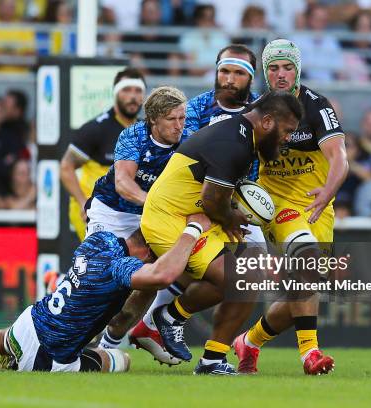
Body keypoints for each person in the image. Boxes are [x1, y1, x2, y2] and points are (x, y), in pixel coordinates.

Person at [0, 212, 213, 372]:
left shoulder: (98, 241)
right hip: (51, 356)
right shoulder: (120, 268)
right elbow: (162, 274)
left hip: (32, 320)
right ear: (146, 249)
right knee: (121, 361)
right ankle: (16, 364)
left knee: (4, 337)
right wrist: (193, 229)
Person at [111, 44, 264, 362]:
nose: (230, 79)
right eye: (225, 71)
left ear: (251, 78)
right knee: (143, 278)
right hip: (191, 204)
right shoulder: (194, 111)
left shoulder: (261, 114)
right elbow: (202, 161)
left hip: (229, 205)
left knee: (248, 275)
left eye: (238, 73)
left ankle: (175, 329)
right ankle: (120, 335)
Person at [143, 91, 301, 375]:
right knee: (236, 277)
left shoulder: (242, 136)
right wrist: (231, 217)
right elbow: (213, 199)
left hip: (199, 216)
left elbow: (215, 200)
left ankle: (212, 358)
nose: (288, 138)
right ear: (267, 121)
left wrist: (228, 215)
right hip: (169, 219)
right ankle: (167, 317)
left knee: (251, 276)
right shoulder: (235, 143)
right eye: (287, 130)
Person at [233, 39, 348, 375]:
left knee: (305, 286)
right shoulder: (257, 111)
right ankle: (310, 353)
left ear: (297, 69)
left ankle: (249, 342)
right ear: (265, 73)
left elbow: (339, 156)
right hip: (276, 204)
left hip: (317, 203)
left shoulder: (317, 106)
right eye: (273, 67)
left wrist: (327, 192)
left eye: (287, 67)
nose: (280, 74)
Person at [85, 86, 186, 240]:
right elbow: (122, 182)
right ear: (153, 119)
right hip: (112, 211)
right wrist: (156, 204)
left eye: (182, 118)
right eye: (171, 119)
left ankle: (233, 261)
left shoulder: (189, 139)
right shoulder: (133, 136)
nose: (179, 126)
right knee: (100, 262)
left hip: (151, 215)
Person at [60, 68, 145, 241]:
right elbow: (65, 167)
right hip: (94, 209)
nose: (133, 96)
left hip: (125, 211)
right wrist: (83, 202)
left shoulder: (144, 130)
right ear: (115, 94)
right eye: (126, 90)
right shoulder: (97, 128)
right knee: (100, 261)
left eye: (138, 91)